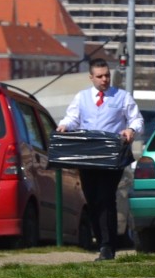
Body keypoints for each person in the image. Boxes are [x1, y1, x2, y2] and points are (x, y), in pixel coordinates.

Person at [57, 58, 143, 261]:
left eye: (107, 75)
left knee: (106, 197)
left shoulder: (122, 97)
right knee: (92, 199)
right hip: (89, 156)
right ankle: (100, 240)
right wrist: (64, 126)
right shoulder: (82, 97)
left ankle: (107, 246)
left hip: (112, 156)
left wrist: (131, 130)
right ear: (91, 77)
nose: (104, 79)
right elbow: (72, 118)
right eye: (100, 76)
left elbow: (136, 119)